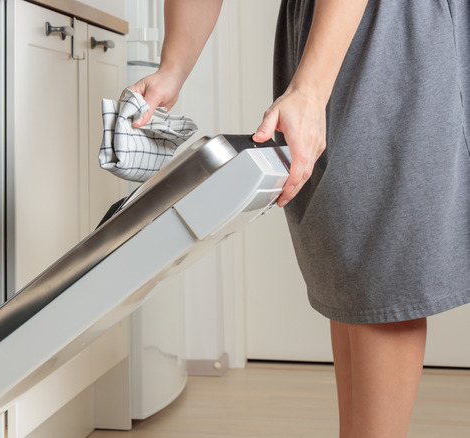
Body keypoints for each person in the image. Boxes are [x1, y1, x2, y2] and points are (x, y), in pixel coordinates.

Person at [127, 1, 470, 437]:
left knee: (379, 270)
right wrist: (173, 68)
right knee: (346, 263)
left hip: (391, 24)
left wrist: (309, 91)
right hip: (313, 25)